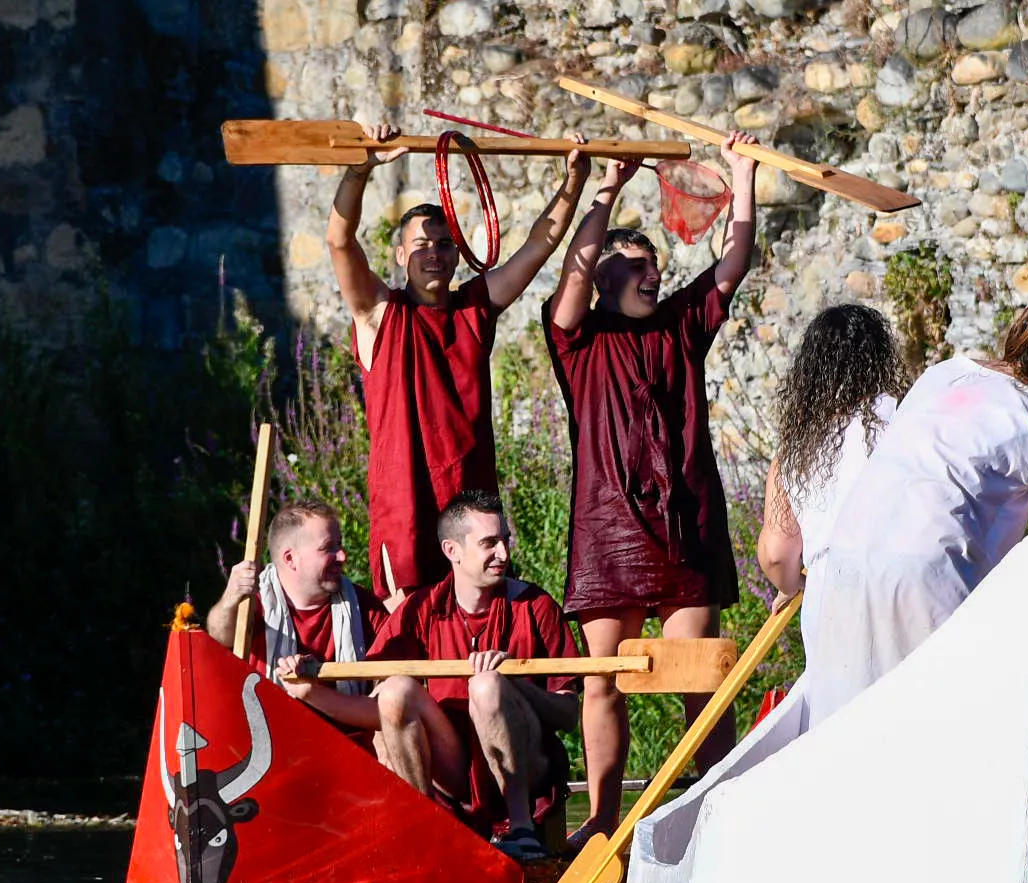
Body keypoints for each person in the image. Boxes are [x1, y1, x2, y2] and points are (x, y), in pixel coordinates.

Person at [542, 138, 760, 840]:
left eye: (655, 266)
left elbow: (732, 264)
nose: (652, 276)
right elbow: (572, 275)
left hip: (683, 526)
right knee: (602, 678)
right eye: (635, 266)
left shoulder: (679, 327)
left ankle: (714, 800)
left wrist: (744, 177)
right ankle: (603, 818)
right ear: (605, 276)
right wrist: (606, 187)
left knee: (697, 671)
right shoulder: (576, 337)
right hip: (608, 531)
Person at [801, 294, 1028, 719]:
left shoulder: (945, 373)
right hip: (927, 571)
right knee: (934, 728)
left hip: (847, 553)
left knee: (845, 725)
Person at [328, 124, 590, 607]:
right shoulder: (380, 313)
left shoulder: (474, 308)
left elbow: (539, 245)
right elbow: (340, 242)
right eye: (421, 244)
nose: (434, 253)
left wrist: (574, 183)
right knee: (407, 639)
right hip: (404, 504)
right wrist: (359, 171)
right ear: (401, 254)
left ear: (457, 254)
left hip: (470, 509)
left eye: (444, 244)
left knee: (477, 638)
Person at [366, 490, 578, 861]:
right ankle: (423, 829)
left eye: (505, 541)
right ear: (453, 550)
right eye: (489, 544)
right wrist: (308, 692)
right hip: (455, 770)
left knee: (486, 685)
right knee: (394, 692)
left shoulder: (536, 606)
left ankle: (522, 830)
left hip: (531, 767)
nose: (504, 555)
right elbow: (375, 700)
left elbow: (569, 714)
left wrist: (512, 684)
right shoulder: (419, 610)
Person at [204, 497, 383, 752]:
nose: (342, 556)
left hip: (350, 755)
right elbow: (219, 635)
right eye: (328, 547)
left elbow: (389, 702)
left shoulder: (364, 607)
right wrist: (232, 597)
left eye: (340, 545)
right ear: (290, 558)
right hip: (271, 752)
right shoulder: (253, 605)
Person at [755, 303, 907, 597]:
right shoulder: (903, 413)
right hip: (898, 578)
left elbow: (776, 554)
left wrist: (795, 586)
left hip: (829, 593)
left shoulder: (796, 450)